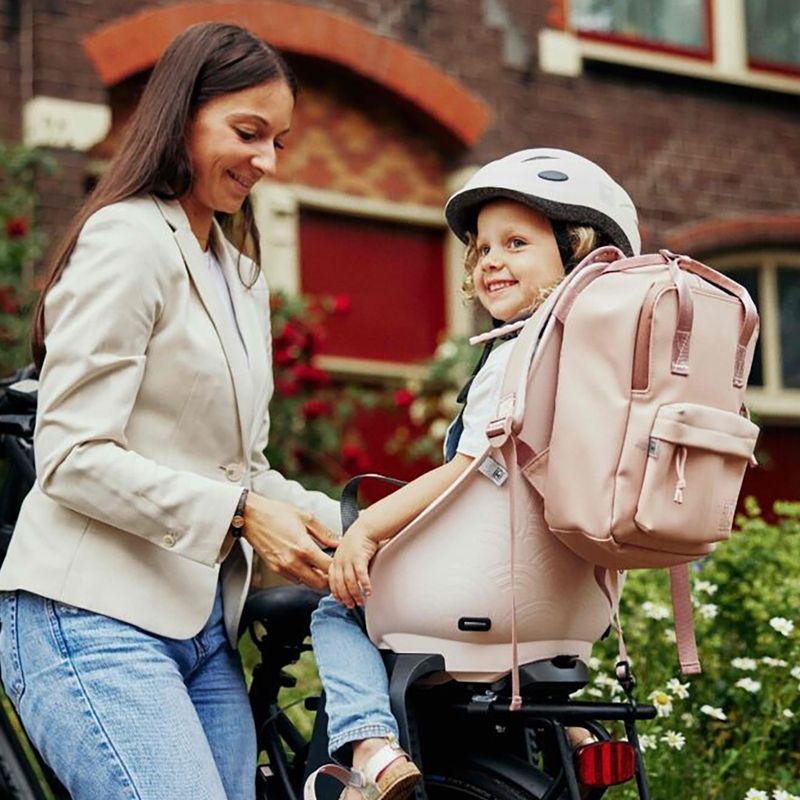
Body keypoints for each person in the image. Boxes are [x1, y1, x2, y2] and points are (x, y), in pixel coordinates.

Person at [0, 22, 341, 800]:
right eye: (247, 132)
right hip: (86, 617)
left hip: (199, 637)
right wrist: (244, 514)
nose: (266, 161)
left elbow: (243, 470)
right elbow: (72, 454)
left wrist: (359, 528)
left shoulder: (242, 278)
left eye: (278, 141)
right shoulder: (127, 241)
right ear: (181, 116)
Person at [306, 148, 640, 800]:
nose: (491, 260)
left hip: (489, 595)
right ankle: (566, 733)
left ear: (577, 253)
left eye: (516, 243)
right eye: (483, 248)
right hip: (574, 604)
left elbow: (468, 468)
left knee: (336, 608)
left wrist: (369, 528)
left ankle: (370, 745)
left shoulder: (518, 352)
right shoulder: (604, 367)